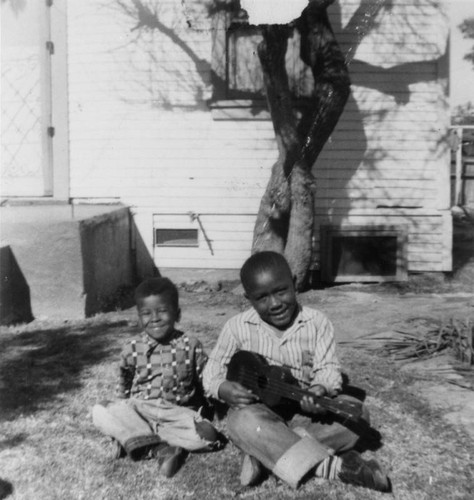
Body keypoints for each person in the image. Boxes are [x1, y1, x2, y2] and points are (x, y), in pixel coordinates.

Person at [202, 251, 391, 492]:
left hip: (304, 415)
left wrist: (319, 389)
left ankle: (263, 452)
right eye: (261, 298)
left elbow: (328, 369)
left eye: (281, 291)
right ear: (248, 297)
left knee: (358, 415)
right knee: (240, 421)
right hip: (259, 413)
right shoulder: (237, 327)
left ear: (294, 282)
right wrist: (222, 387)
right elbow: (212, 371)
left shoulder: (316, 323)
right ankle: (332, 467)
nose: (275, 303)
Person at [92, 277, 223, 477]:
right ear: (139, 318)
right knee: (100, 410)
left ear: (177, 314)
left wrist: (215, 406)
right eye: (146, 313)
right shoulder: (132, 348)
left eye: (162, 311)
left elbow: (206, 379)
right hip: (142, 408)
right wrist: (122, 409)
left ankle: (138, 441)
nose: (155, 318)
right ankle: (158, 446)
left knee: (209, 436)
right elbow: (124, 384)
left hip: (178, 413)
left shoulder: (191, 345)